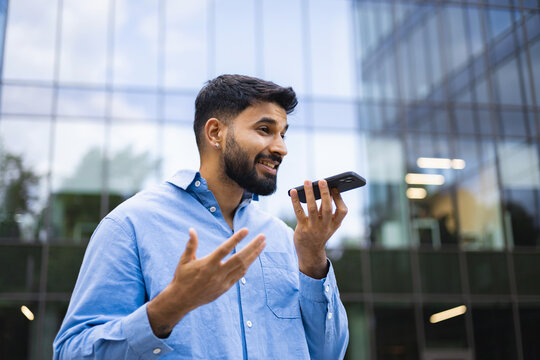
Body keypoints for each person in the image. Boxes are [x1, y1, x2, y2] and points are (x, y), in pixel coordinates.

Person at [53, 74, 349, 359]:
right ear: (215, 133)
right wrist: (170, 307)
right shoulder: (130, 225)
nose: (281, 148)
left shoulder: (285, 238)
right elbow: (72, 352)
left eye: (283, 134)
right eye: (264, 129)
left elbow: (327, 354)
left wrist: (312, 260)